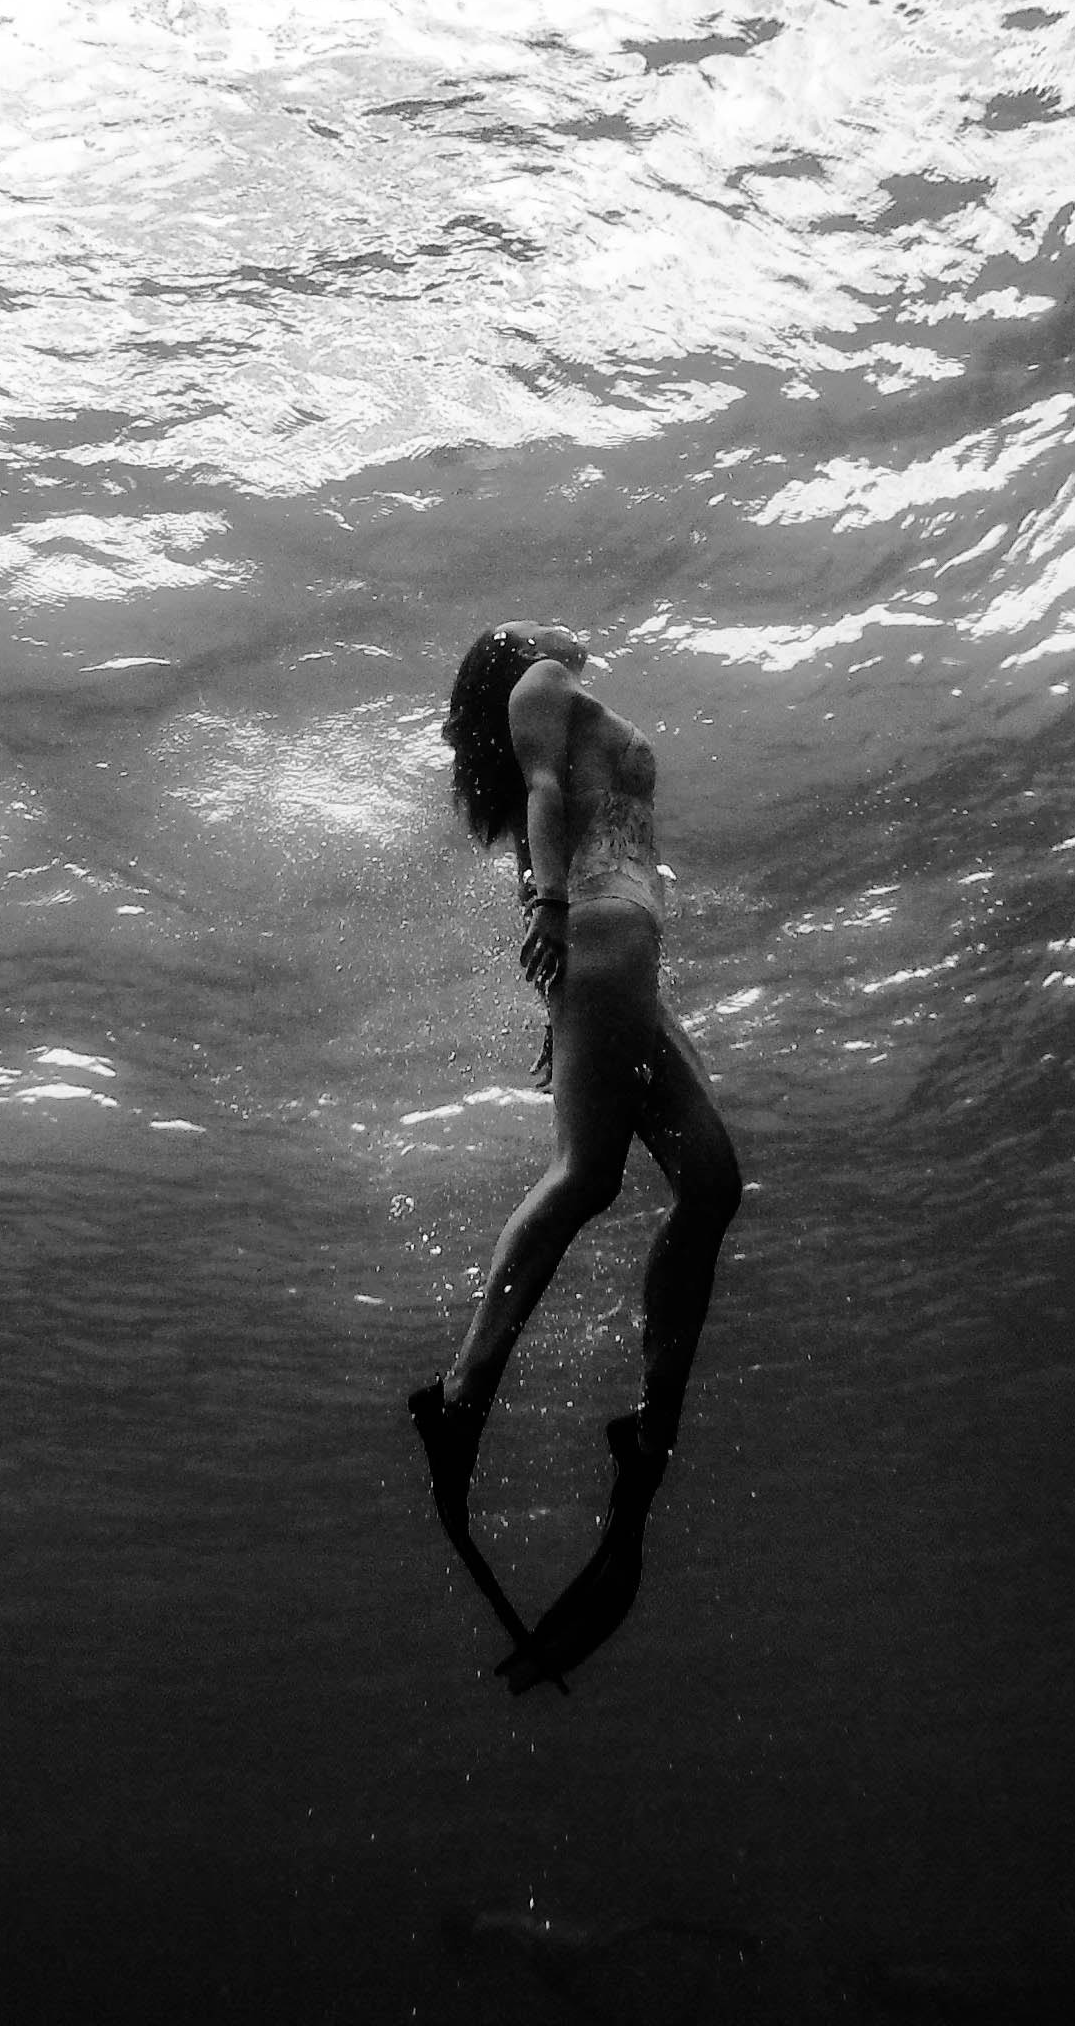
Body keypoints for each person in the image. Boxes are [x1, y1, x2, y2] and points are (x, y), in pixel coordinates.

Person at [406, 621, 744, 1688]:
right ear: (507, 661)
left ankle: (648, 1430)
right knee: (586, 1176)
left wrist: (571, 993)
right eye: (522, 637)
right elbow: (549, 796)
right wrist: (555, 917)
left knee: (714, 1184)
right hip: (598, 928)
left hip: (622, 947)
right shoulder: (540, 685)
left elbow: (565, 802)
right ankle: (459, 1397)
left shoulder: (550, 692)